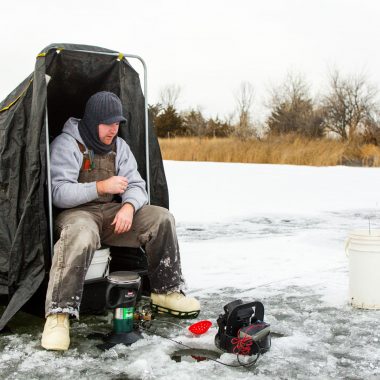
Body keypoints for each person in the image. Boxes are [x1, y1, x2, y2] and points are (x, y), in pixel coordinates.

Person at [41, 91, 200, 351]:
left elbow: (137, 185)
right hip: (77, 213)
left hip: (112, 213)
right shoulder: (67, 144)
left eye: (117, 124)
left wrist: (128, 206)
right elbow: (58, 193)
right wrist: (101, 186)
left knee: (161, 218)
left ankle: (166, 291)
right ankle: (58, 314)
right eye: (108, 123)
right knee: (81, 233)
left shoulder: (120, 147)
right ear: (92, 121)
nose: (114, 129)